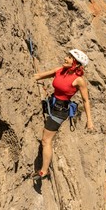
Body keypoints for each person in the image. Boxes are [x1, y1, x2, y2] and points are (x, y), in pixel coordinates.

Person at [32, 49, 94, 180]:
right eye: (67, 56)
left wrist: (90, 120)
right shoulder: (60, 70)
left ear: (76, 64)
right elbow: (40, 76)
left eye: (69, 57)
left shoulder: (79, 81)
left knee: (46, 140)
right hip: (52, 103)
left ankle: (44, 171)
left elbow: (86, 100)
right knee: (46, 137)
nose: (65, 58)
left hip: (60, 111)